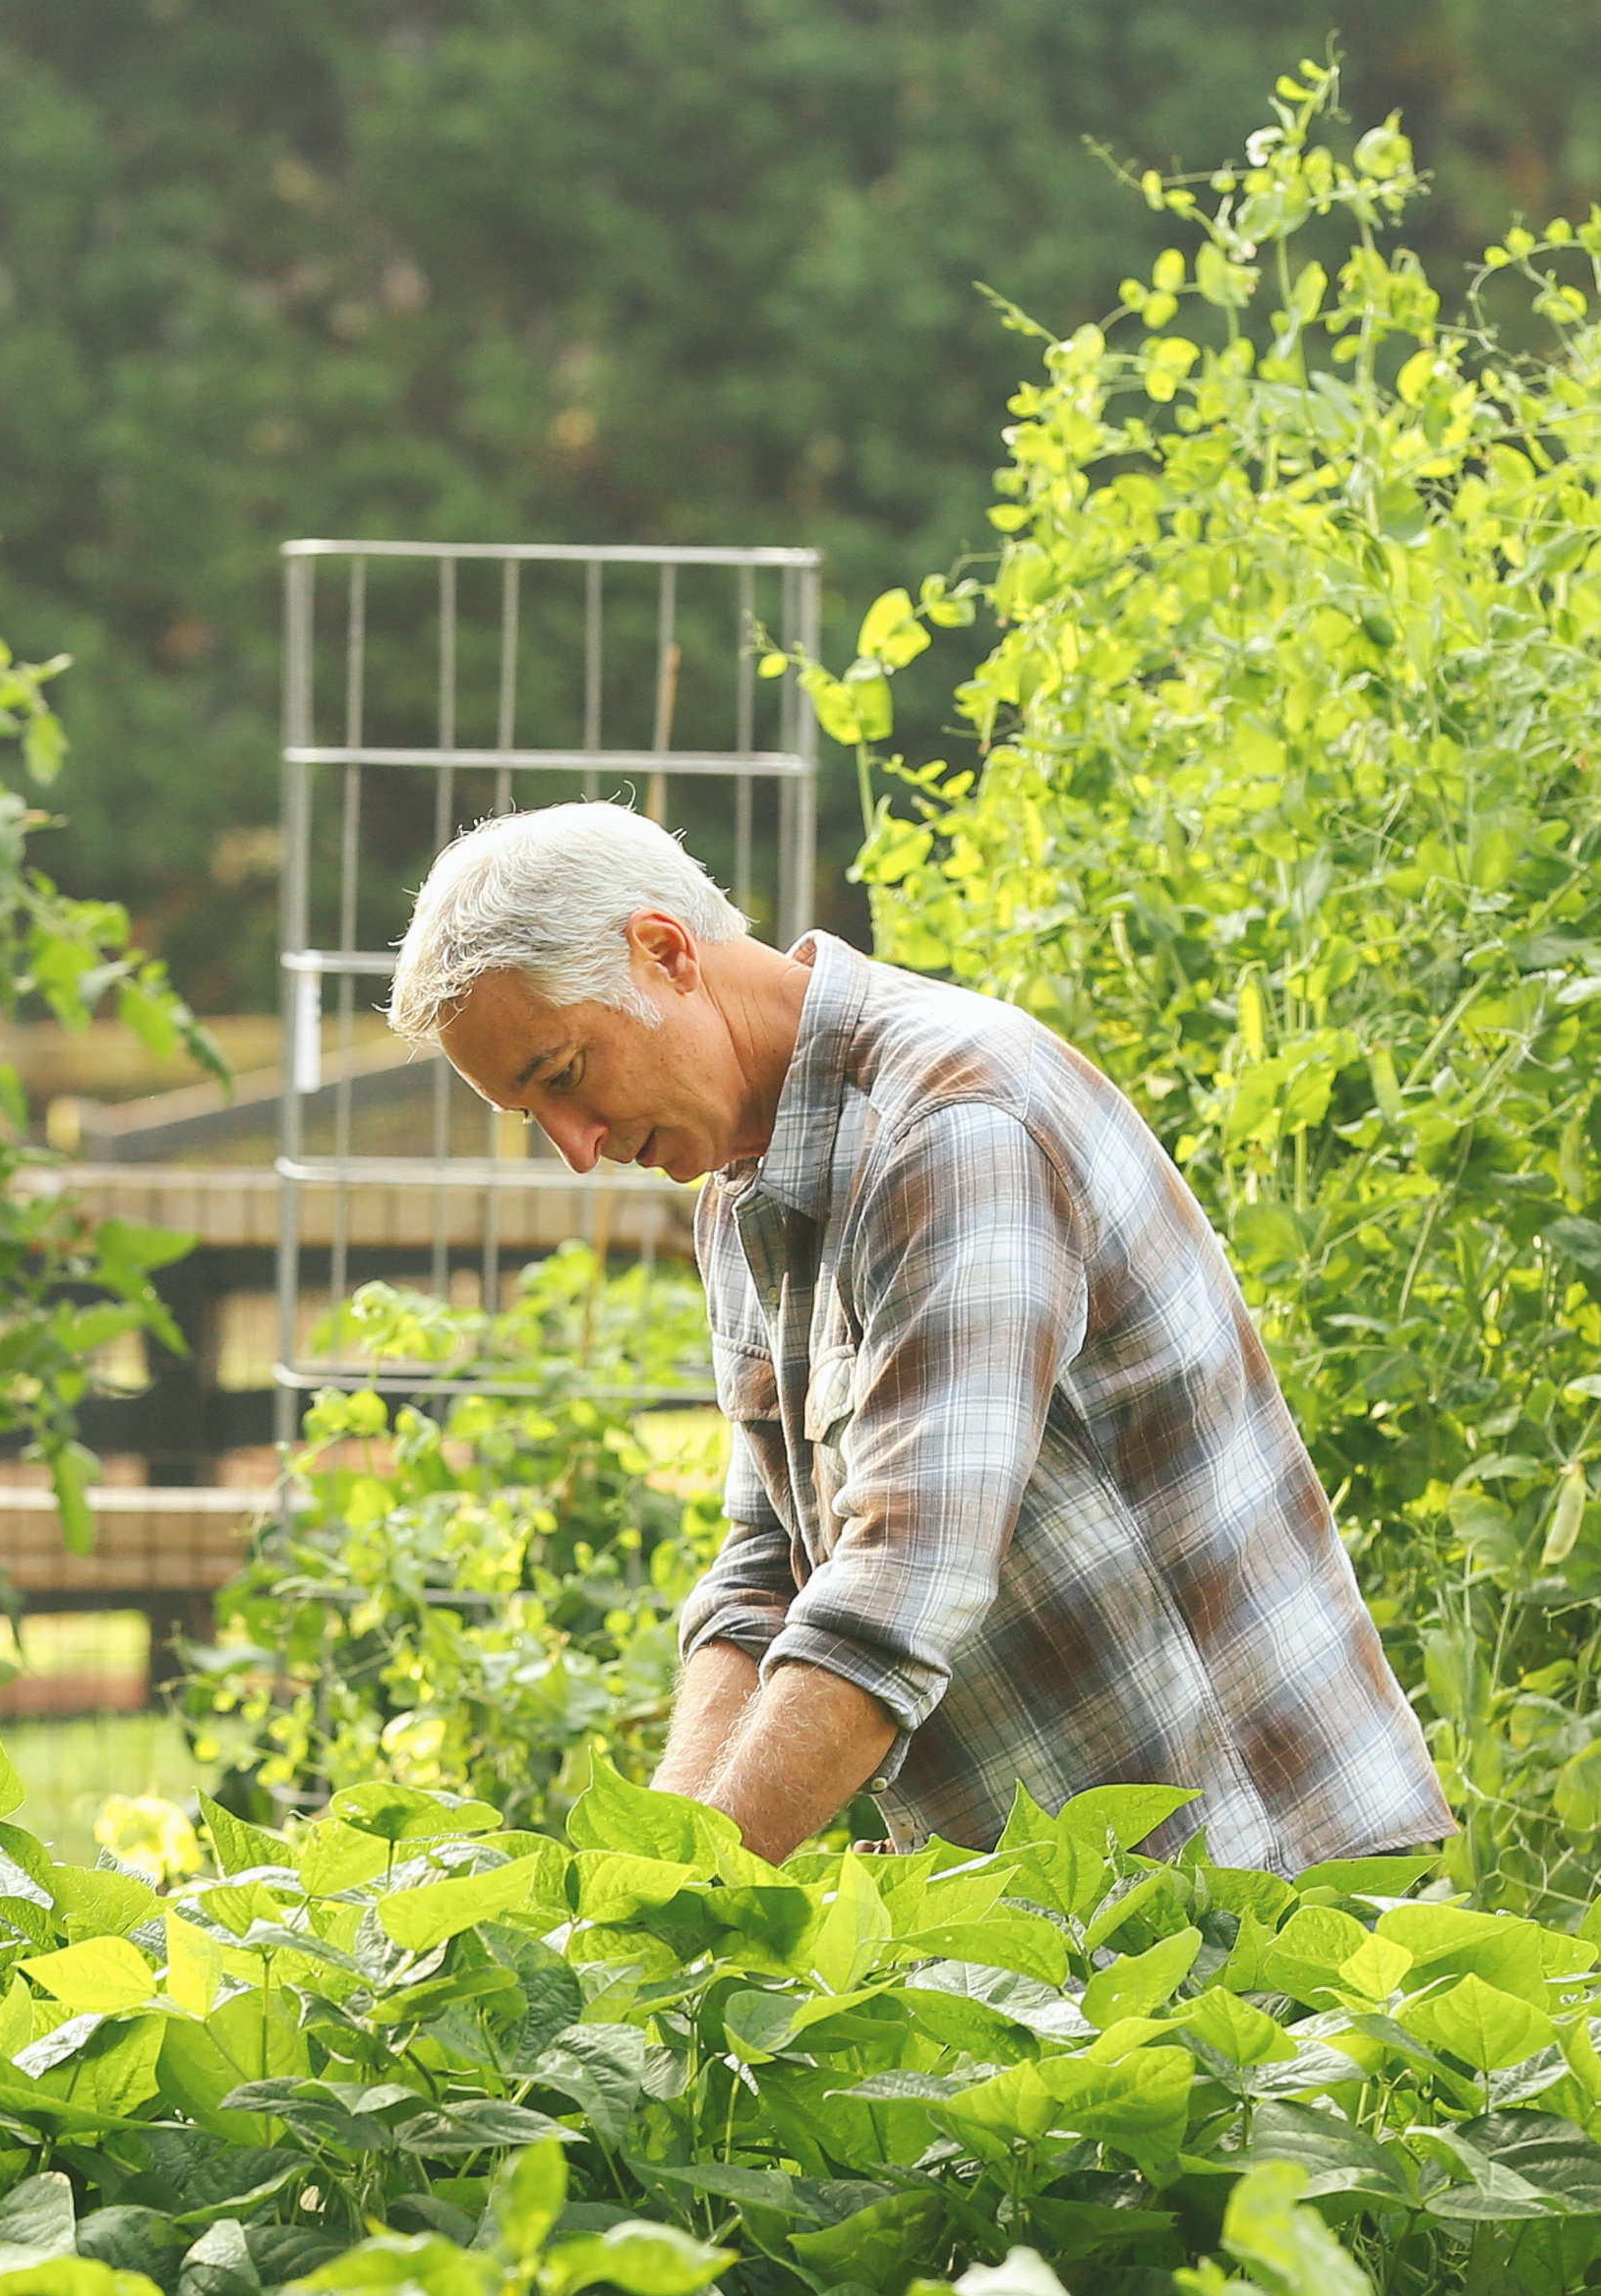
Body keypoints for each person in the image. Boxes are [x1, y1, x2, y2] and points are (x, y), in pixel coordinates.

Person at [383, 802, 1449, 1872]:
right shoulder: (741, 1191)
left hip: (1268, 1876)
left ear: (662, 953)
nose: (576, 1150)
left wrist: (676, 1910)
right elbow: (766, 1573)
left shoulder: (950, 1129)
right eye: (533, 1117)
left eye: (563, 1076)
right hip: (1082, 1905)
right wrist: (654, 1860)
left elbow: (901, 1582)